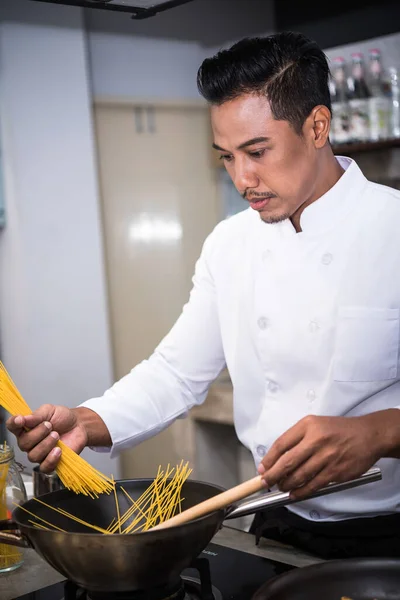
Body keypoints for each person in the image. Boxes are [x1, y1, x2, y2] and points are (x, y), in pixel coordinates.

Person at [7, 31, 400, 559]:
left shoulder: (391, 228)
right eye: (226, 157)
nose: (243, 178)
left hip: (388, 530)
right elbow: (175, 373)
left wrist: (377, 433)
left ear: (318, 126)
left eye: (257, 152)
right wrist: (89, 421)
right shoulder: (230, 244)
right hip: (274, 522)